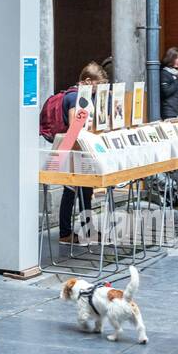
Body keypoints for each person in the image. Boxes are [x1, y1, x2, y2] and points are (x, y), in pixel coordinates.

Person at [42, 62, 108, 244]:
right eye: (97, 85)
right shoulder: (74, 98)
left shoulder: (82, 97)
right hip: (71, 151)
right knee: (70, 191)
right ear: (87, 81)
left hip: (80, 151)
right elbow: (74, 128)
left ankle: (88, 230)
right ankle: (65, 233)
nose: (97, 90)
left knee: (85, 190)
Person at [159, 47, 178, 118]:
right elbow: (166, 92)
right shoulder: (164, 73)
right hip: (170, 113)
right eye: (177, 58)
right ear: (170, 58)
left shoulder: (176, 73)